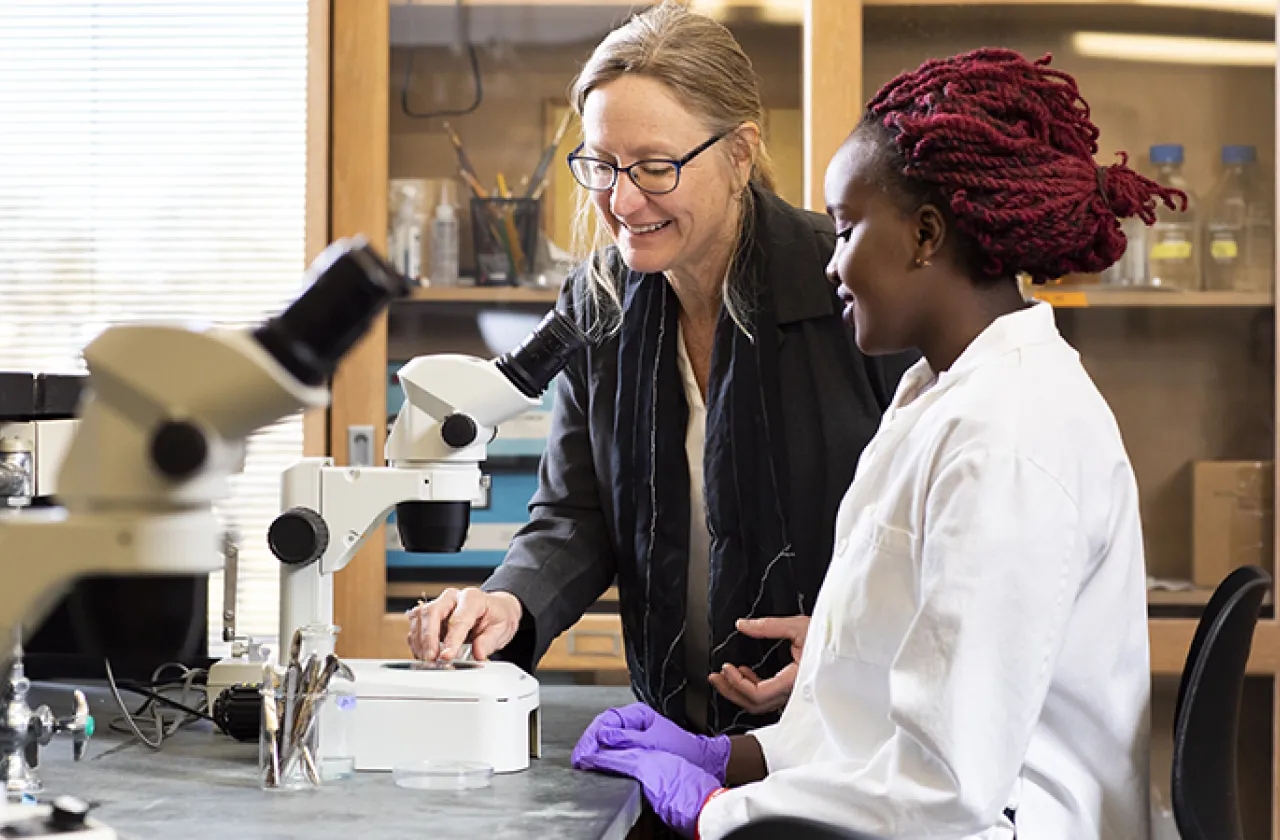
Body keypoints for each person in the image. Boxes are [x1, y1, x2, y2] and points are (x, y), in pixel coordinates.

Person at [571, 47, 1186, 840]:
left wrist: (721, 809)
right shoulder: (937, 396)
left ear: (925, 235)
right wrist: (738, 757)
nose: (831, 267)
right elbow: (885, 701)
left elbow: (944, 786)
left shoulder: (1010, 436)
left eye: (847, 230)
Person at [406, 0, 915, 736]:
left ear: (740, 153)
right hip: (679, 729)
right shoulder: (599, 302)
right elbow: (575, 516)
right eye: (602, 166)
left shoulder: (848, 283)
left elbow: (935, 527)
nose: (621, 200)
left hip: (852, 732)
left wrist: (851, 650)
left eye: (654, 166)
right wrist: (508, 602)